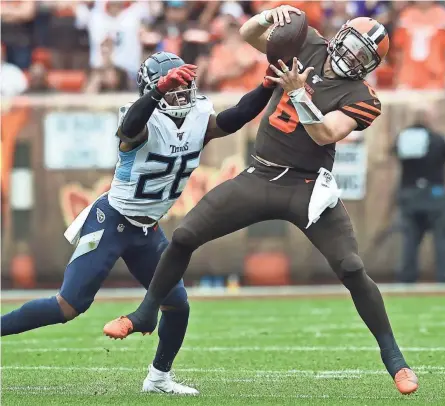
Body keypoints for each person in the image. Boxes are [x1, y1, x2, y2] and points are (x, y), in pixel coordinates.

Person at [104, 6, 419, 396]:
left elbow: (324, 133)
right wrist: (270, 15)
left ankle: (395, 360)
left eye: (363, 57)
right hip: (262, 174)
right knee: (185, 235)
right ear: (338, 38)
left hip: (307, 188)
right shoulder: (309, 43)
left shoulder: (363, 97)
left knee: (351, 266)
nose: (352, 58)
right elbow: (255, 37)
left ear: (370, 66)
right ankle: (146, 312)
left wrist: (298, 93)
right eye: (352, 47)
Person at [1, 51, 275, 394]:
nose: (180, 94)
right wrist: (157, 93)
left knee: (177, 304)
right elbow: (130, 128)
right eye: (171, 88)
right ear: (153, 90)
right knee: (68, 305)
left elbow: (237, 116)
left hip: (148, 229)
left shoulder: (198, 118)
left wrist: (267, 85)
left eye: (183, 86)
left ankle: (158, 378)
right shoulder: (141, 122)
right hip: (112, 220)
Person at [393, 107, 445, 283]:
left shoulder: (403, 137)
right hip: (435, 196)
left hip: (409, 194)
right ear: (429, 118)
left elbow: (394, 152)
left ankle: (406, 280)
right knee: (443, 239)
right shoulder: (437, 139)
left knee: (409, 240)